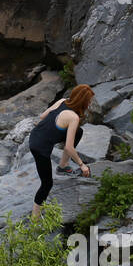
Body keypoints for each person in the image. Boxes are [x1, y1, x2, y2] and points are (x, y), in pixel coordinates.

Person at [29, 84, 95, 220]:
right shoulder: (73, 118)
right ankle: (34, 220)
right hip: (40, 148)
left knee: (78, 132)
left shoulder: (62, 101)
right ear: (83, 102)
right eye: (89, 101)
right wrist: (82, 165)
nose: (90, 104)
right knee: (47, 184)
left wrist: (56, 128)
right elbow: (69, 148)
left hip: (34, 135)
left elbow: (42, 117)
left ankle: (63, 166)